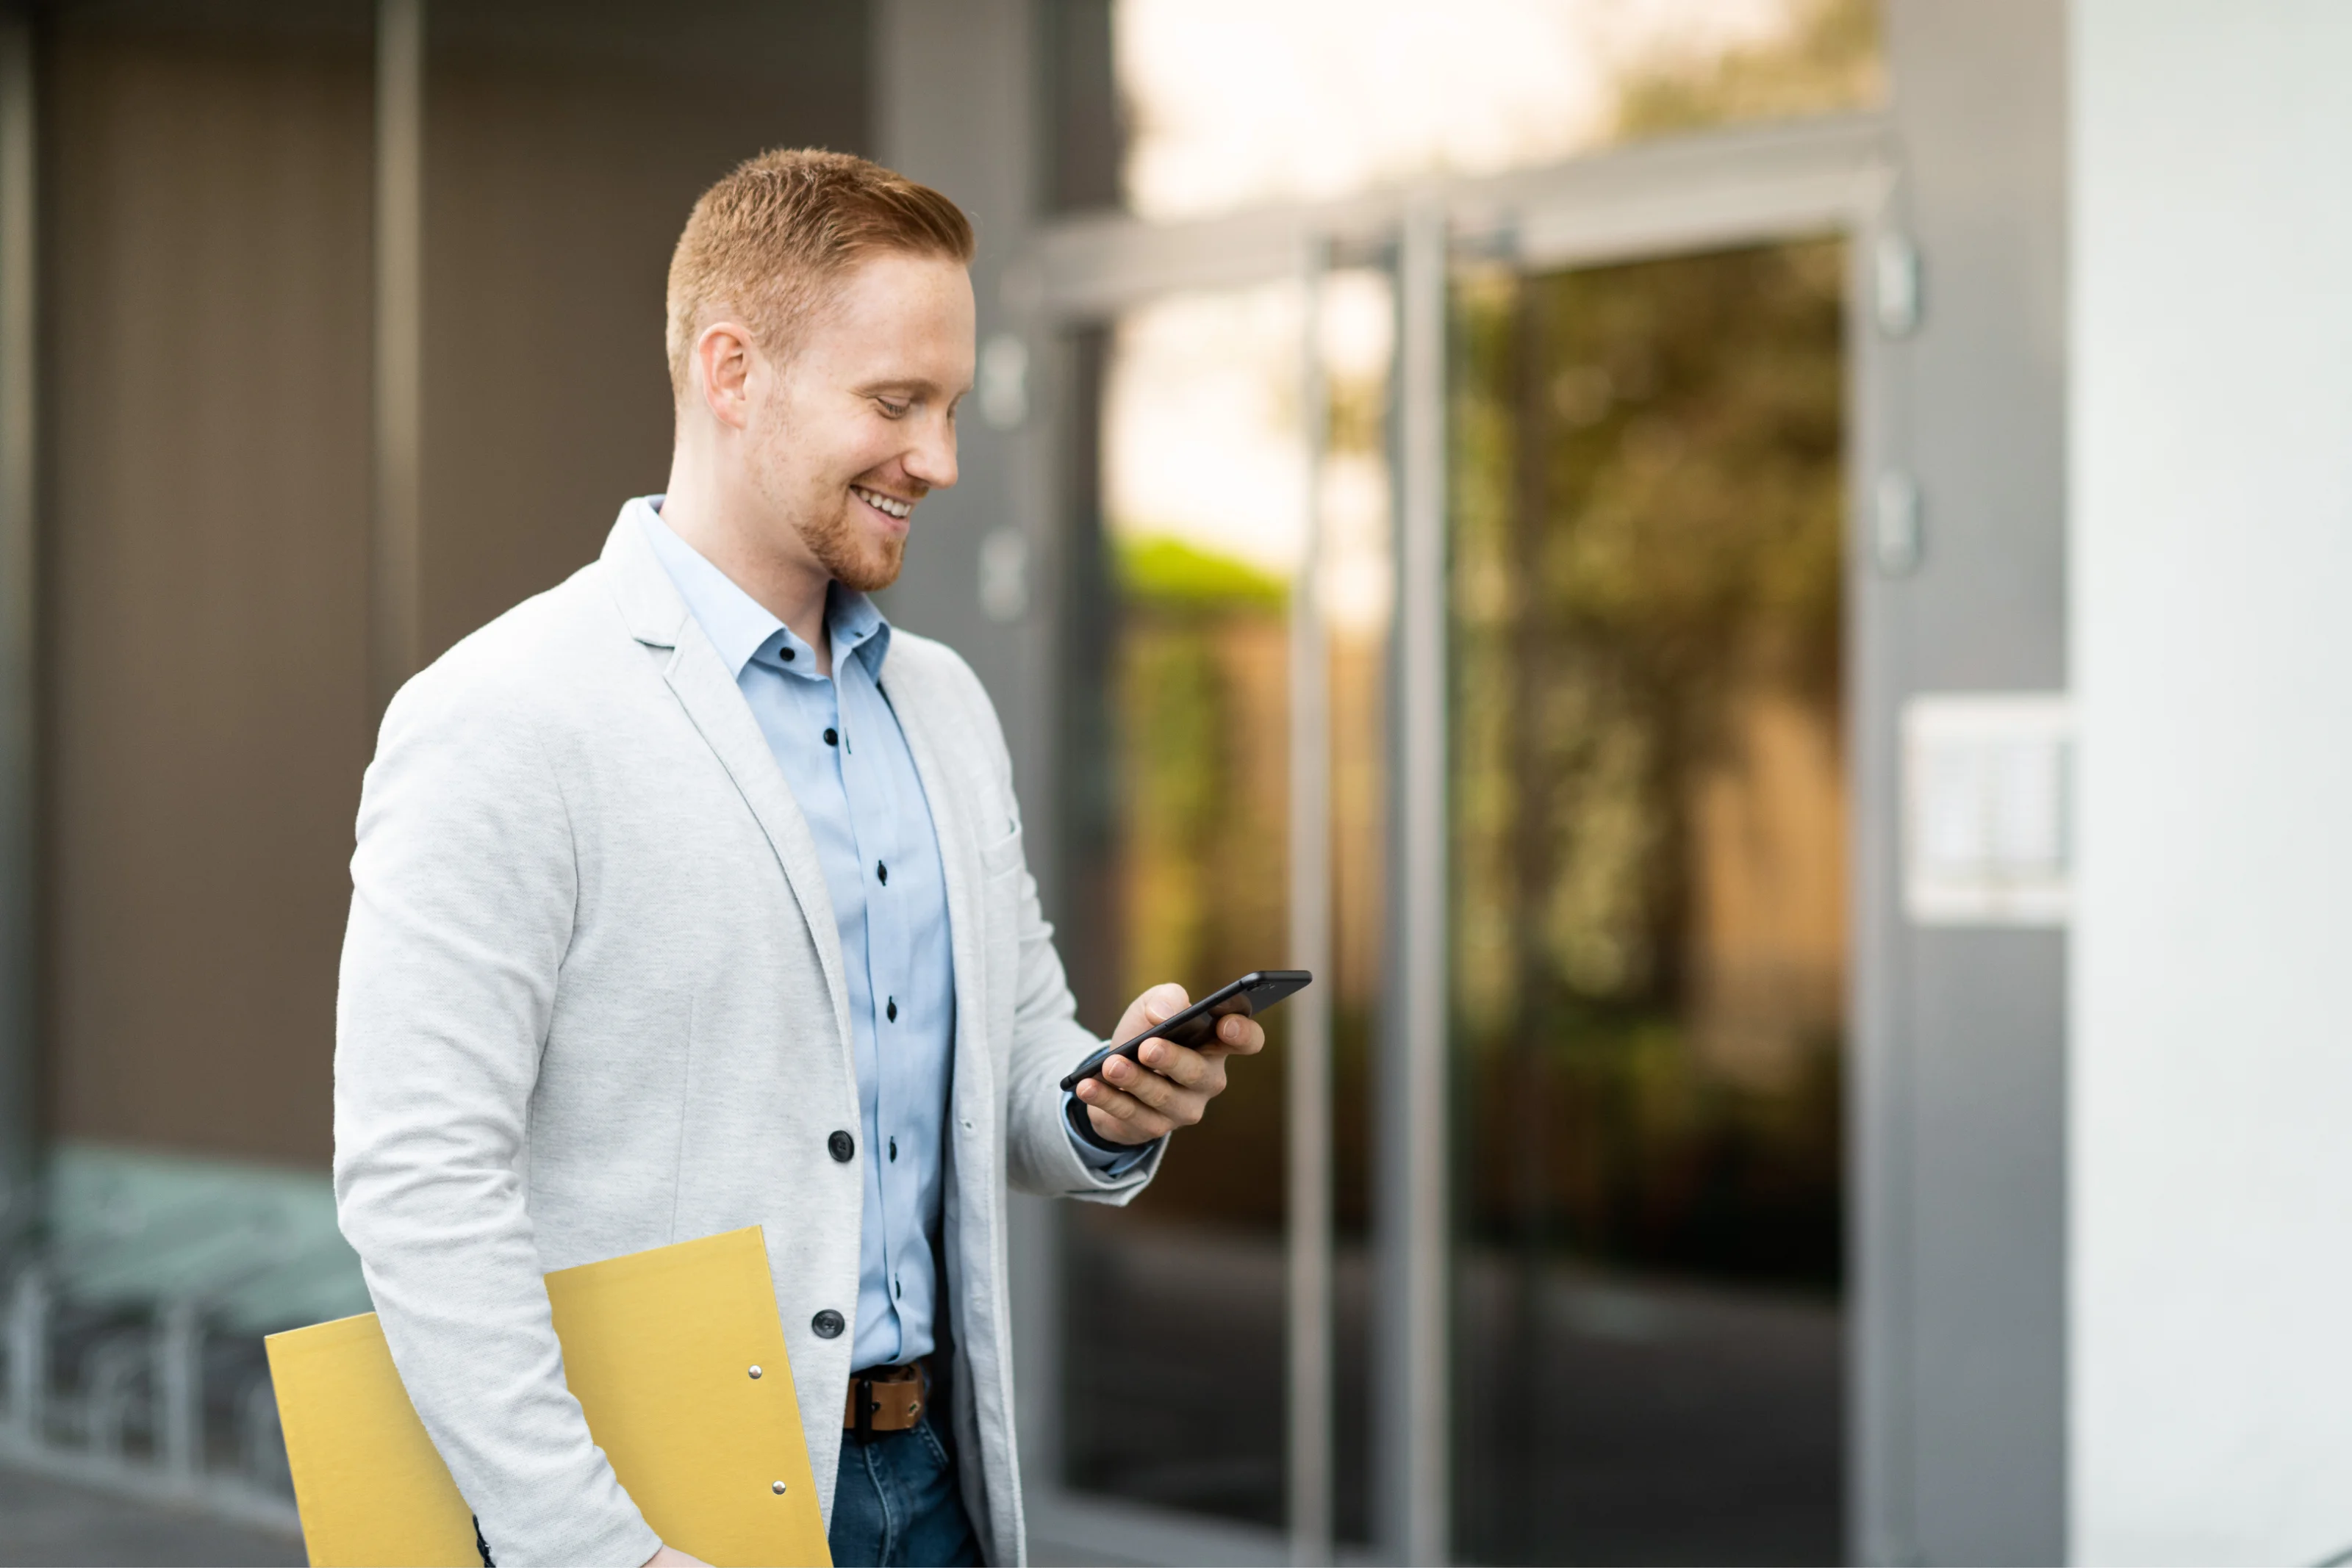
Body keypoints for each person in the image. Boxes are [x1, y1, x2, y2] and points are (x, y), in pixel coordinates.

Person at [332, 148, 1264, 1568]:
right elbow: (419, 1185)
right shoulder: (500, 715)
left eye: (949, 407)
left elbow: (1011, 1061)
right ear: (731, 370)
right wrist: (594, 1550)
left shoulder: (943, 707)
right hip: (646, 1508)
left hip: (935, 1484)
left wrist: (1103, 1103)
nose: (939, 460)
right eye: (895, 403)